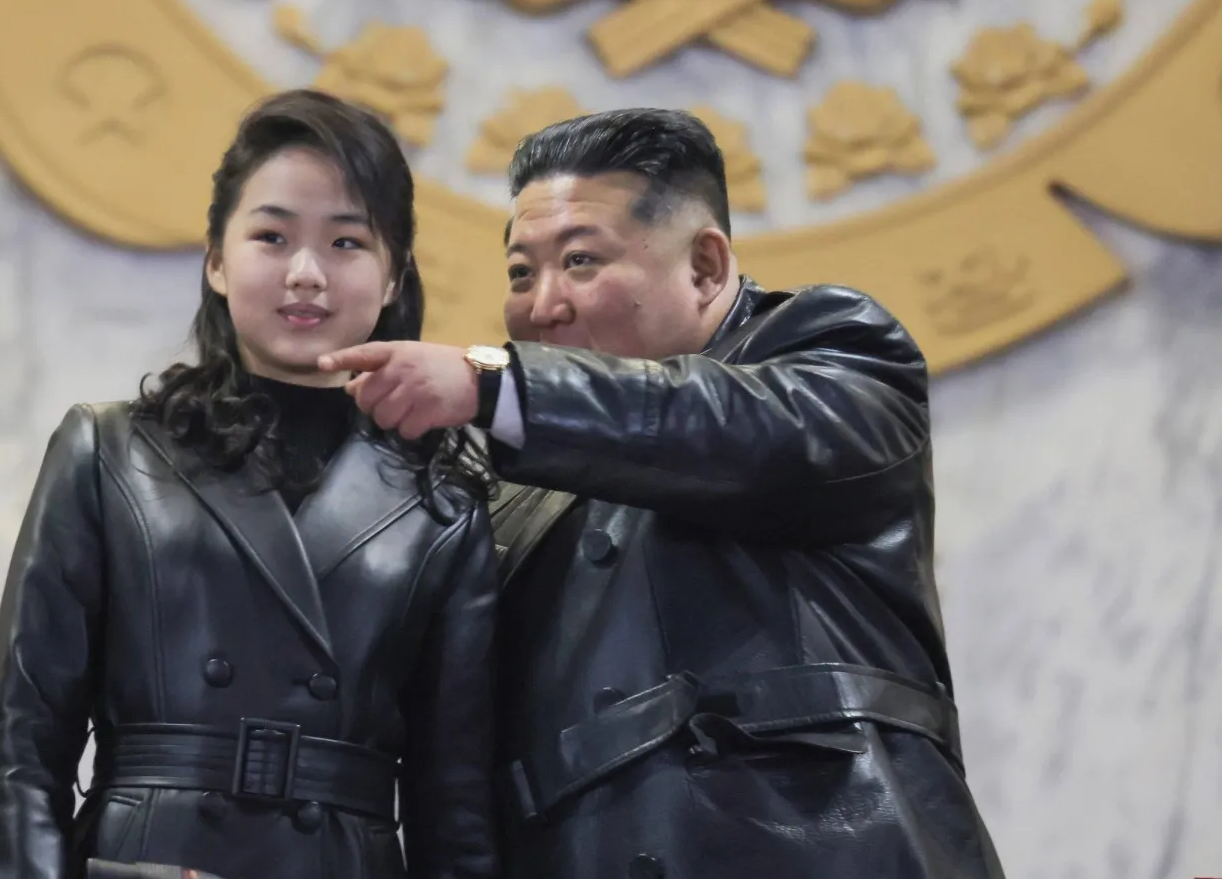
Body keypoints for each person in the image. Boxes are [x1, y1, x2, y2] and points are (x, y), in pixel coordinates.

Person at [320, 108, 1005, 879]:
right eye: (520, 272)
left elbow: (734, 430)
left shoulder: (830, 350)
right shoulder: (506, 491)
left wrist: (496, 385)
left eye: (580, 261)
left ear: (707, 267)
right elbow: (455, 770)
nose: (541, 305)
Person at [0, 90, 500, 879]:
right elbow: (25, 749)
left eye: (347, 242)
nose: (305, 273)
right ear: (218, 261)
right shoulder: (111, 449)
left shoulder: (446, 502)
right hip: (148, 858)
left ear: (394, 275)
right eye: (272, 235)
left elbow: (454, 809)